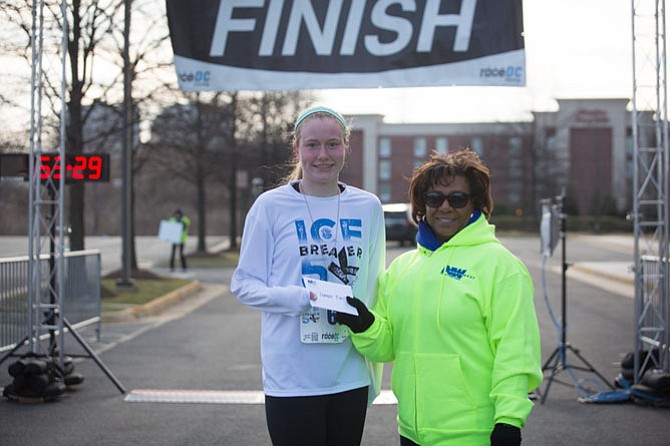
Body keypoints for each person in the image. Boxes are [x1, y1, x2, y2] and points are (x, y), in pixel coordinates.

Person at [337, 149, 543, 446]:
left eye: (457, 198)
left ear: (476, 204)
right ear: (422, 204)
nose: (445, 207)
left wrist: (509, 420)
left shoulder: (501, 266)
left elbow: (515, 352)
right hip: (411, 431)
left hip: (473, 434)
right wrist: (364, 324)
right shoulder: (402, 268)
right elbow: (387, 348)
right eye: (434, 198)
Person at [230, 105, 386, 446]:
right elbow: (243, 285)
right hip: (291, 376)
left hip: (349, 372)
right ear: (297, 148)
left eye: (332, 144)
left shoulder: (369, 207)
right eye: (312, 145)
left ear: (346, 145)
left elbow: (376, 284)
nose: (323, 155)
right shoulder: (270, 206)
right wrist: (301, 298)